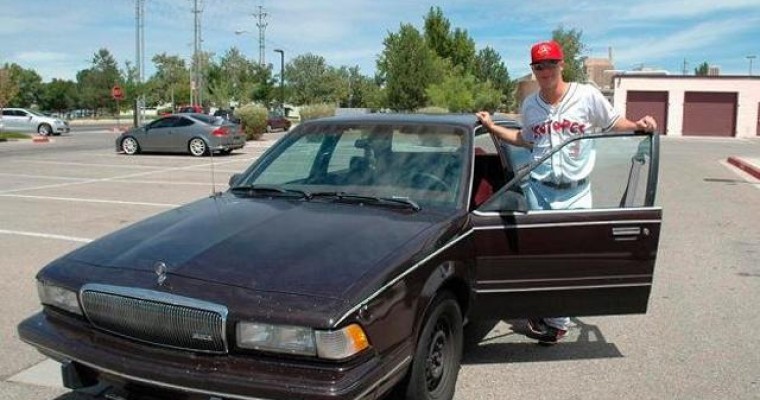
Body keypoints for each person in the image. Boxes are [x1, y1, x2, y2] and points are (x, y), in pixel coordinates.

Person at [475, 40, 657, 344]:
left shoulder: (587, 95)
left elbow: (612, 123)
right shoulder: (531, 105)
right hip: (539, 189)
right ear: (533, 71)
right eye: (538, 66)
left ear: (561, 65)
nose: (544, 70)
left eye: (549, 64)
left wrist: (638, 125)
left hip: (575, 191)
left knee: (567, 257)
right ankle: (553, 315)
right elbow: (524, 138)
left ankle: (556, 321)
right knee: (543, 256)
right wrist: (492, 127)